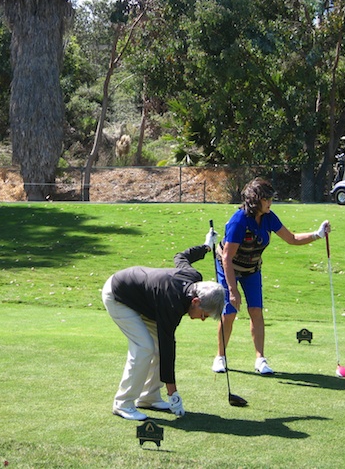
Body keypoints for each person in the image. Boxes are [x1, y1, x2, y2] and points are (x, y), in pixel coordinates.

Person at [213, 177, 330, 375]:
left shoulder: (269, 217)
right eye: (267, 199)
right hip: (229, 267)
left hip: (252, 269)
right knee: (230, 311)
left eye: (270, 198)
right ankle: (220, 357)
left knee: (256, 311)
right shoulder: (238, 220)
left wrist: (317, 234)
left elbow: (291, 239)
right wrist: (232, 291)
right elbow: (226, 257)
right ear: (255, 200)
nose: (270, 202)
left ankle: (260, 360)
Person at [102, 235, 226, 421]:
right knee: (144, 348)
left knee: (157, 348)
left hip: (148, 303)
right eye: (204, 315)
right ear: (195, 301)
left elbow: (181, 257)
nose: (201, 319)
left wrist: (206, 247)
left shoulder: (194, 277)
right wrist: (173, 393)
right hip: (119, 295)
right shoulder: (173, 303)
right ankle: (123, 403)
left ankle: (149, 397)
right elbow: (168, 347)